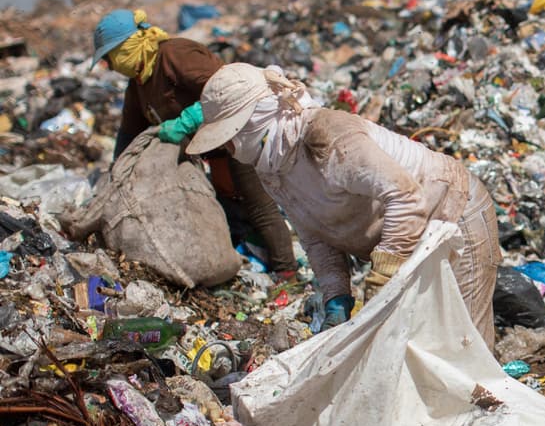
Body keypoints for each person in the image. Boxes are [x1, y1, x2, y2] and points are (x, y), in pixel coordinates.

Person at [186, 63, 501, 344]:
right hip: (406, 238)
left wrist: (384, 274)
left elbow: (406, 197)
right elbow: (314, 235)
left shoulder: (327, 137)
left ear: (254, 121)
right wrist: (336, 296)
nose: (228, 148)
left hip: (453, 214)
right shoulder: (271, 168)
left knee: (463, 342)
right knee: (416, 343)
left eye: (230, 136)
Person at [91, 8, 296, 276]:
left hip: (240, 131)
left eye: (109, 57)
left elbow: (226, 88)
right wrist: (116, 173)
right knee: (228, 203)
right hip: (214, 147)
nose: (110, 66)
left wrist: (187, 121)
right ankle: (254, 256)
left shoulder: (175, 55)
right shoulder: (138, 84)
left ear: (126, 46)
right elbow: (129, 134)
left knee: (258, 204)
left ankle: (287, 272)